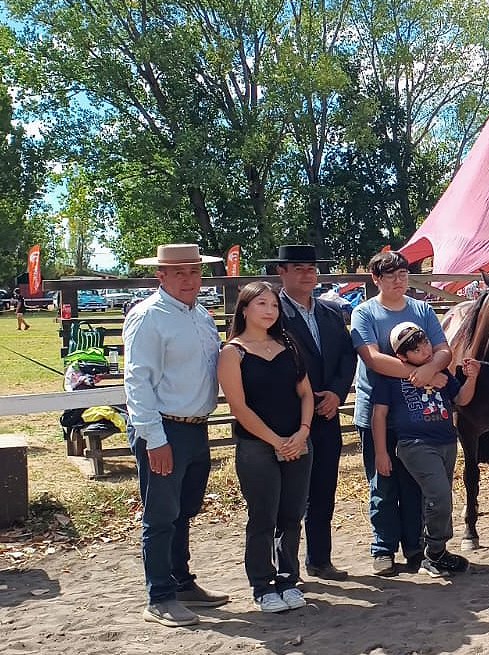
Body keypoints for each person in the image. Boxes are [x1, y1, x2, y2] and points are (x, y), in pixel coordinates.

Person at [123, 244, 228, 627]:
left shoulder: (200, 315)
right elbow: (137, 381)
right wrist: (154, 438)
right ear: (161, 276)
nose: (189, 279)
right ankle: (159, 596)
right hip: (164, 426)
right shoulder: (148, 317)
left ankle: (180, 582)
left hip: (194, 425)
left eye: (194, 271)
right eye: (179, 272)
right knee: (161, 515)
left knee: (183, 510)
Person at [350, 251, 452, 575]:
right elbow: (372, 358)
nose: (398, 280)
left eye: (403, 274)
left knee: (414, 484)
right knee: (382, 482)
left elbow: (443, 349)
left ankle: (414, 546)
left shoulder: (422, 310)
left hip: (418, 414)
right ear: (376, 279)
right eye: (390, 275)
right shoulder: (364, 312)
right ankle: (383, 548)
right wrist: (420, 374)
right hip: (377, 410)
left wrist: (432, 368)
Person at [218, 281, 314, 613]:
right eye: (261, 304)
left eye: (274, 305)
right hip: (257, 447)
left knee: (292, 515)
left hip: (297, 442)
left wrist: (302, 432)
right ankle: (262, 584)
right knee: (263, 516)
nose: (270, 311)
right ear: (244, 309)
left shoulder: (288, 345)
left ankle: (288, 578)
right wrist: (276, 442)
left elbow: (306, 393)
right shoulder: (232, 353)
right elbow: (239, 407)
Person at [265, 245, 357, 581]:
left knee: (323, 490)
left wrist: (336, 392)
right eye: (299, 268)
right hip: (289, 416)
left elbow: (347, 356)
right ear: (282, 272)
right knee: (289, 496)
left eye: (311, 268)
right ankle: (285, 567)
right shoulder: (272, 314)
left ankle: (319, 558)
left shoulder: (330, 313)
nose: (307, 274)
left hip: (327, 414)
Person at [370, 322, 477, 578]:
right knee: (439, 496)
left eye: (426, 343)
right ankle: (433, 551)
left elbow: (461, 398)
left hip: (446, 442)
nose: (426, 351)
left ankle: (437, 551)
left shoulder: (441, 372)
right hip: (414, 444)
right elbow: (379, 415)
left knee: (438, 497)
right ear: (402, 357)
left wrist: (472, 377)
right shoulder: (390, 378)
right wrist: (381, 453)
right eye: (417, 350)